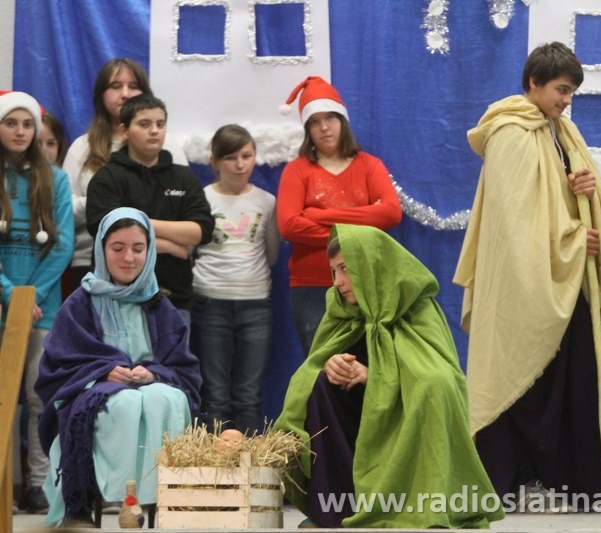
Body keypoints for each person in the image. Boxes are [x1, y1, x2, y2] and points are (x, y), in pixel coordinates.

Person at [453, 42, 601, 507]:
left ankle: (570, 482)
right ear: (534, 83)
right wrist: (573, 239)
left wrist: (580, 187)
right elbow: (515, 217)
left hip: (564, 278)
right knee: (525, 375)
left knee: (574, 376)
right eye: (561, 90)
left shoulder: (561, 130)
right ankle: (520, 478)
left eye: (570, 92)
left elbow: (552, 196)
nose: (566, 100)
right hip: (524, 282)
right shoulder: (509, 132)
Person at [275, 224, 504, 528]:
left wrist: (376, 377)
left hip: (398, 418)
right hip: (356, 419)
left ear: (371, 265)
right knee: (319, 386)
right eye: (333, 272)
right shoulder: (341, 312)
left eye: (345, 269)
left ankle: (417, 503)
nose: (338, 282)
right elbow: (312, 368)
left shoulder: (415, 308)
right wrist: (331, 365)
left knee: (432, 389)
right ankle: (337, 508)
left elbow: (440, 380)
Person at [35, 207, 201, 527]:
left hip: (151, 385)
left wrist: (154, 373)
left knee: (164, 398)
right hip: (96, 388)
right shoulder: (80, 302)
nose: (128, 258)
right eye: (118, 248)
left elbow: (184, 367)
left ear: (150, 251)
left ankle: (165, 498)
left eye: (138, 249)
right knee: (124, 403)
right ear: (101, 250)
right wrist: (102, 372)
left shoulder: (160, 304)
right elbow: (58, 364)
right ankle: (120, 500)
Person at [277, 76, 402, 355]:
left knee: (368, 362)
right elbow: (289, 225)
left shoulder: (369, 166)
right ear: (307, 129)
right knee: (322, 366)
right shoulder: (297, 170)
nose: (324, 127)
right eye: (314, 121)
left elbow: (391, 213)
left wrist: (321, 215)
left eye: (330, 118)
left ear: (342, 120)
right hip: (312, 288)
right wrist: (359, 229)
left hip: (365, 284)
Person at [0, 91, 75, 514]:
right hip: (6, 301)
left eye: (27, 124)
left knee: (37, 395)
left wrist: (30, 297)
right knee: (2, 397)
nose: (20, 132)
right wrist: (11, 294)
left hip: (41, 307)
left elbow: (61, 246)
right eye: (10, 123)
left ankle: (37, 483)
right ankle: (4, 485)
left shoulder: (55, 178)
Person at [85, 93, 214, 328]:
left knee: (173, 354)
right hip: (116, 298)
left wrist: (136, 221)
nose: (154, 131)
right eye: (144, 124)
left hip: (174, 298)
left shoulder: (183, 177)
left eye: (160, 124)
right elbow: (104, 229)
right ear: (124, 131)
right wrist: (171, 246)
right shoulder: (107, 177)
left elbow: (202, 230)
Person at [63, 58, 189, 290]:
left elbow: (186, 206)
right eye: (115, 86)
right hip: (91, 260)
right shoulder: (82, 147)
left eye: (133, 86)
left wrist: (168, 244)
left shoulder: (168, 144)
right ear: (101, 94)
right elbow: (63, 209)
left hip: (159, 261)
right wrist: (102, 203)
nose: (125, 94)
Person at [191, 124, 280, 434]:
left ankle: (250, 461)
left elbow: (271, 253)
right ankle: (214, 462)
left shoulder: (266, 201)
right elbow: (190, 248)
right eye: (230, 158)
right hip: (210, 301)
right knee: (215, 394)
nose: (240, 165)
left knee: (248, 396)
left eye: (247, 156)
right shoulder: (201, 199)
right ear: (214, 161)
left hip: (255, 303)